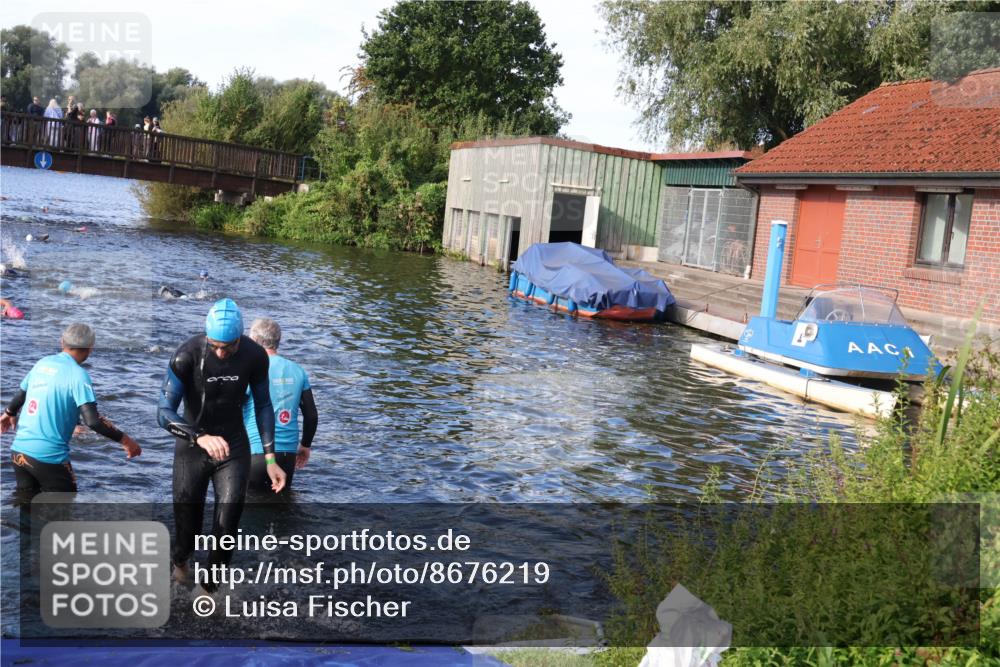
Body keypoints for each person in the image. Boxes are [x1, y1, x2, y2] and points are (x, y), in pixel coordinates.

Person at [157, 299, 286, 589]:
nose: (220, 351)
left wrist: (270, 459)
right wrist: (199, 436)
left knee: (227, 525)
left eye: (228, 346)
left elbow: (264, 405)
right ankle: (180, 562)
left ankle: (209, 590)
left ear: (240, 337)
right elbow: (163, 413)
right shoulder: (186, 355)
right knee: (187, 534)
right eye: (215, 345)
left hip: (233, 447)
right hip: (192, 449)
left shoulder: (254, 356)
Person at [0, 323, 141, 497]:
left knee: (26, 510)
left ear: (62, 342)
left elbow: (22, 393)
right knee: (62, 516)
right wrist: (127, 441)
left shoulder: (42, 363)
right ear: (90, 349)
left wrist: (9, 413)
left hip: (19, 452)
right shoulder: (78, 374)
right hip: (48, 458)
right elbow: (93, 421)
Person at [243, 318, 317, 493]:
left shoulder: (249, 369)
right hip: (288, 454)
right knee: (281, 509)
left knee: (248, 511)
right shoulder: (298, 370)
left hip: (255, 451)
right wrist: (305, 445)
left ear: (253, 341)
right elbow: (311, 415)